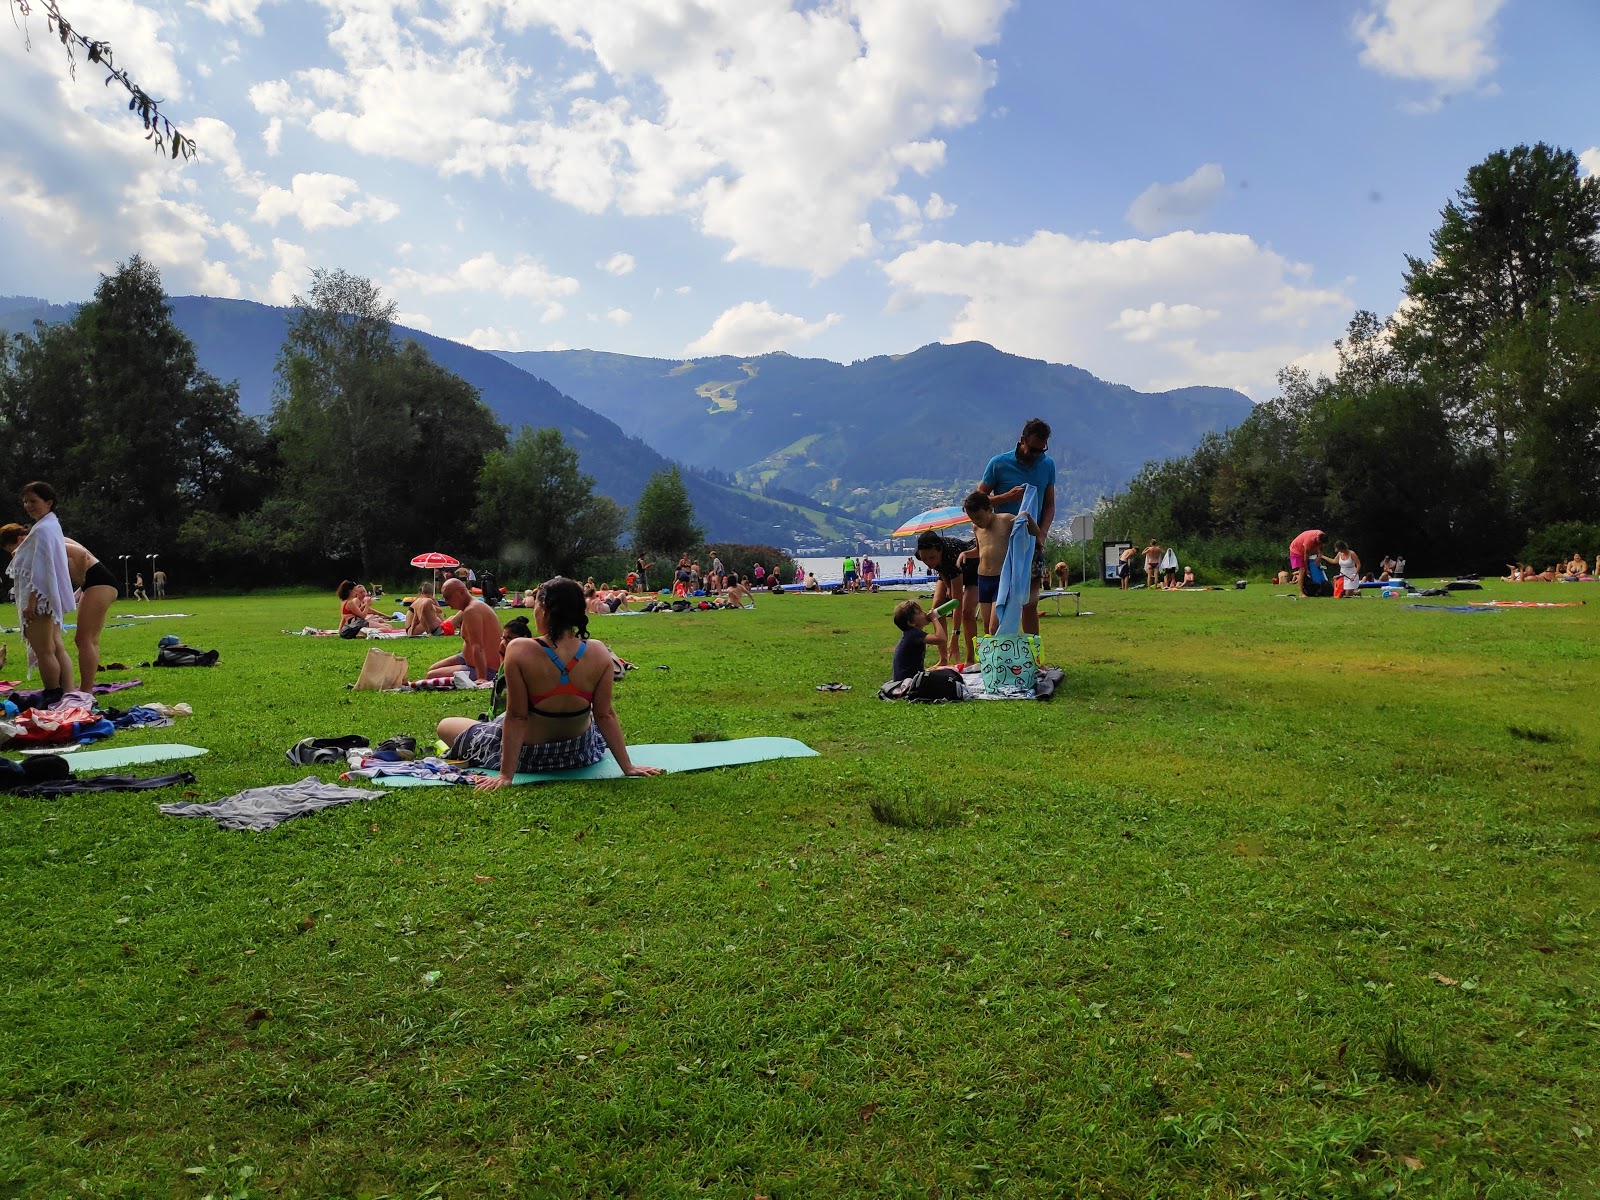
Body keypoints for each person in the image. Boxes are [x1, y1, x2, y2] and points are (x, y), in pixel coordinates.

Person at [439, 577, 663, 788]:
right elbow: (605, 715)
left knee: (446, 725)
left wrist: (505, 775)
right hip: (578, 753)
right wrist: (628, 767)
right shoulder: (599, 651)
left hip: (530, 756)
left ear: (544, 609)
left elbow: (517, 717)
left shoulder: (519, 649)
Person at [1, 518, 119, 689]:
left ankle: (86, 690)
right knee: (82, 640)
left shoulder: (43, 541)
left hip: (98, 582)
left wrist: (80, 580)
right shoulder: (46, 539)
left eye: (9, 549)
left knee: (85, 639)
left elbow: (81, 555)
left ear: (19, 540)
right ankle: (78, 688)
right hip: (96, 581)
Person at [978, 418, 1055, 636]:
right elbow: (976, 501)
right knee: (1000, 602)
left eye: (1042, 450)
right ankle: (1001, 656)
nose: (1036, 455)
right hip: (1002, 545)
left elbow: (1049, 506)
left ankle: (1034, 658)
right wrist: (1005, 497)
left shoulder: (1047, 465)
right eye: (1032, 449)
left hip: (1031, 544)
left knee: (1030, 604)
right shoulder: (998, 464)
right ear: (1022, 441)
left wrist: (1042, 535)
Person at [4, 483, 76, 691]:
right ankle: (68, 690)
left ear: (49, 502)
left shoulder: (43, 530)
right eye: (26, 501)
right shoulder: (50, 525)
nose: (28, 505)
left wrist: (31, 603)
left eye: (33, 501)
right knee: (55, 647)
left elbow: (41, 571)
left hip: (39, 601)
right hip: (47, 599)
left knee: (44, 650)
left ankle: (52, 692)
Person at [965, 490, 1038, 634]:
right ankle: (994, 656)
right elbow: (980, 550)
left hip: (1001, 579)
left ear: (990, 509)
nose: (977, 523)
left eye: (979, 517)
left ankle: (1003, 654)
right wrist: (965, 554)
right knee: (987, 627)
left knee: (994, 627)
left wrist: (1027, 517)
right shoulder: (976, 528)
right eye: (973, 519)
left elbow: (1035, 532)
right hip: (983, 579)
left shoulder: (1005, 520)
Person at [915, 529, 979, 666]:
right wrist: (948, 585)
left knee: (966, 612)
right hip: (948, 571)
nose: (928, 562)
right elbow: (939, 567)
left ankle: (970, 659)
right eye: (924, 559)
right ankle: (943, 659)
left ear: (940, 551)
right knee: (937, 610)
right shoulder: (926, 554)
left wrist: (955, 637)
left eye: (931, 558)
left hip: (973, 570)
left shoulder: (950, 555)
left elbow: (957, 603)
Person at [425, 577, 502, 680]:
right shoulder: (469, 607)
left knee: (431, 675)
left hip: (488, 669)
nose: (446, 602)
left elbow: (477, 647)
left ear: (461, 592)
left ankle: (482, 674)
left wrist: (482, 678)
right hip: (467, 658)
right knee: (432, 669)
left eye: (448, 597)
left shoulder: (472, 611)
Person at [891, 599, 949, 679]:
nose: (925, 613)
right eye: (920, 612)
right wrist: (935, 619)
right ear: (911, 623)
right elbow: (941, 639)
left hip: (907, 679)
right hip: (908, 683)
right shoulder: (913, 634)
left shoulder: (911, 634)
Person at [1289, 529, 1330, 598]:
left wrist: (1320, 557)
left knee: (1304, 570)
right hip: (1296, 550)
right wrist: (1307, 569)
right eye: (1318, 543)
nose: (1319, 545)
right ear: (1317, 538)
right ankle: (1301, 593)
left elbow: (1321, 548)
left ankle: (1299, 575)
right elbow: (1306, 557)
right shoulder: (1309, 541)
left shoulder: (1322, 535)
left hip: (1304, 550)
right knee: (1303, 570)